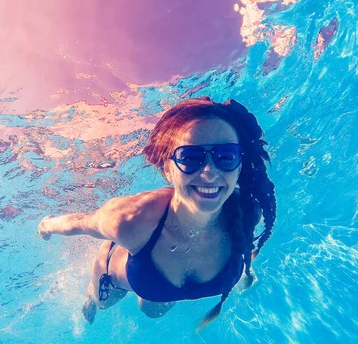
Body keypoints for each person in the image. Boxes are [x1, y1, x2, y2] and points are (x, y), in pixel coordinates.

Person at [38, 97, 276, 330]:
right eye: (190, 157)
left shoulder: (247, 212)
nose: (210, 172)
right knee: (103, 305)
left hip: (158, 289)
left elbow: (244, 246)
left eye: (226, 157)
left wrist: (245, 273)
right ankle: (91, 297)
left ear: (239, 165)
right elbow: (81, 223)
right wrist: (47, 226)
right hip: (119, 275)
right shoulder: (129, 219)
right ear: (167, 169)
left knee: (153, 311)